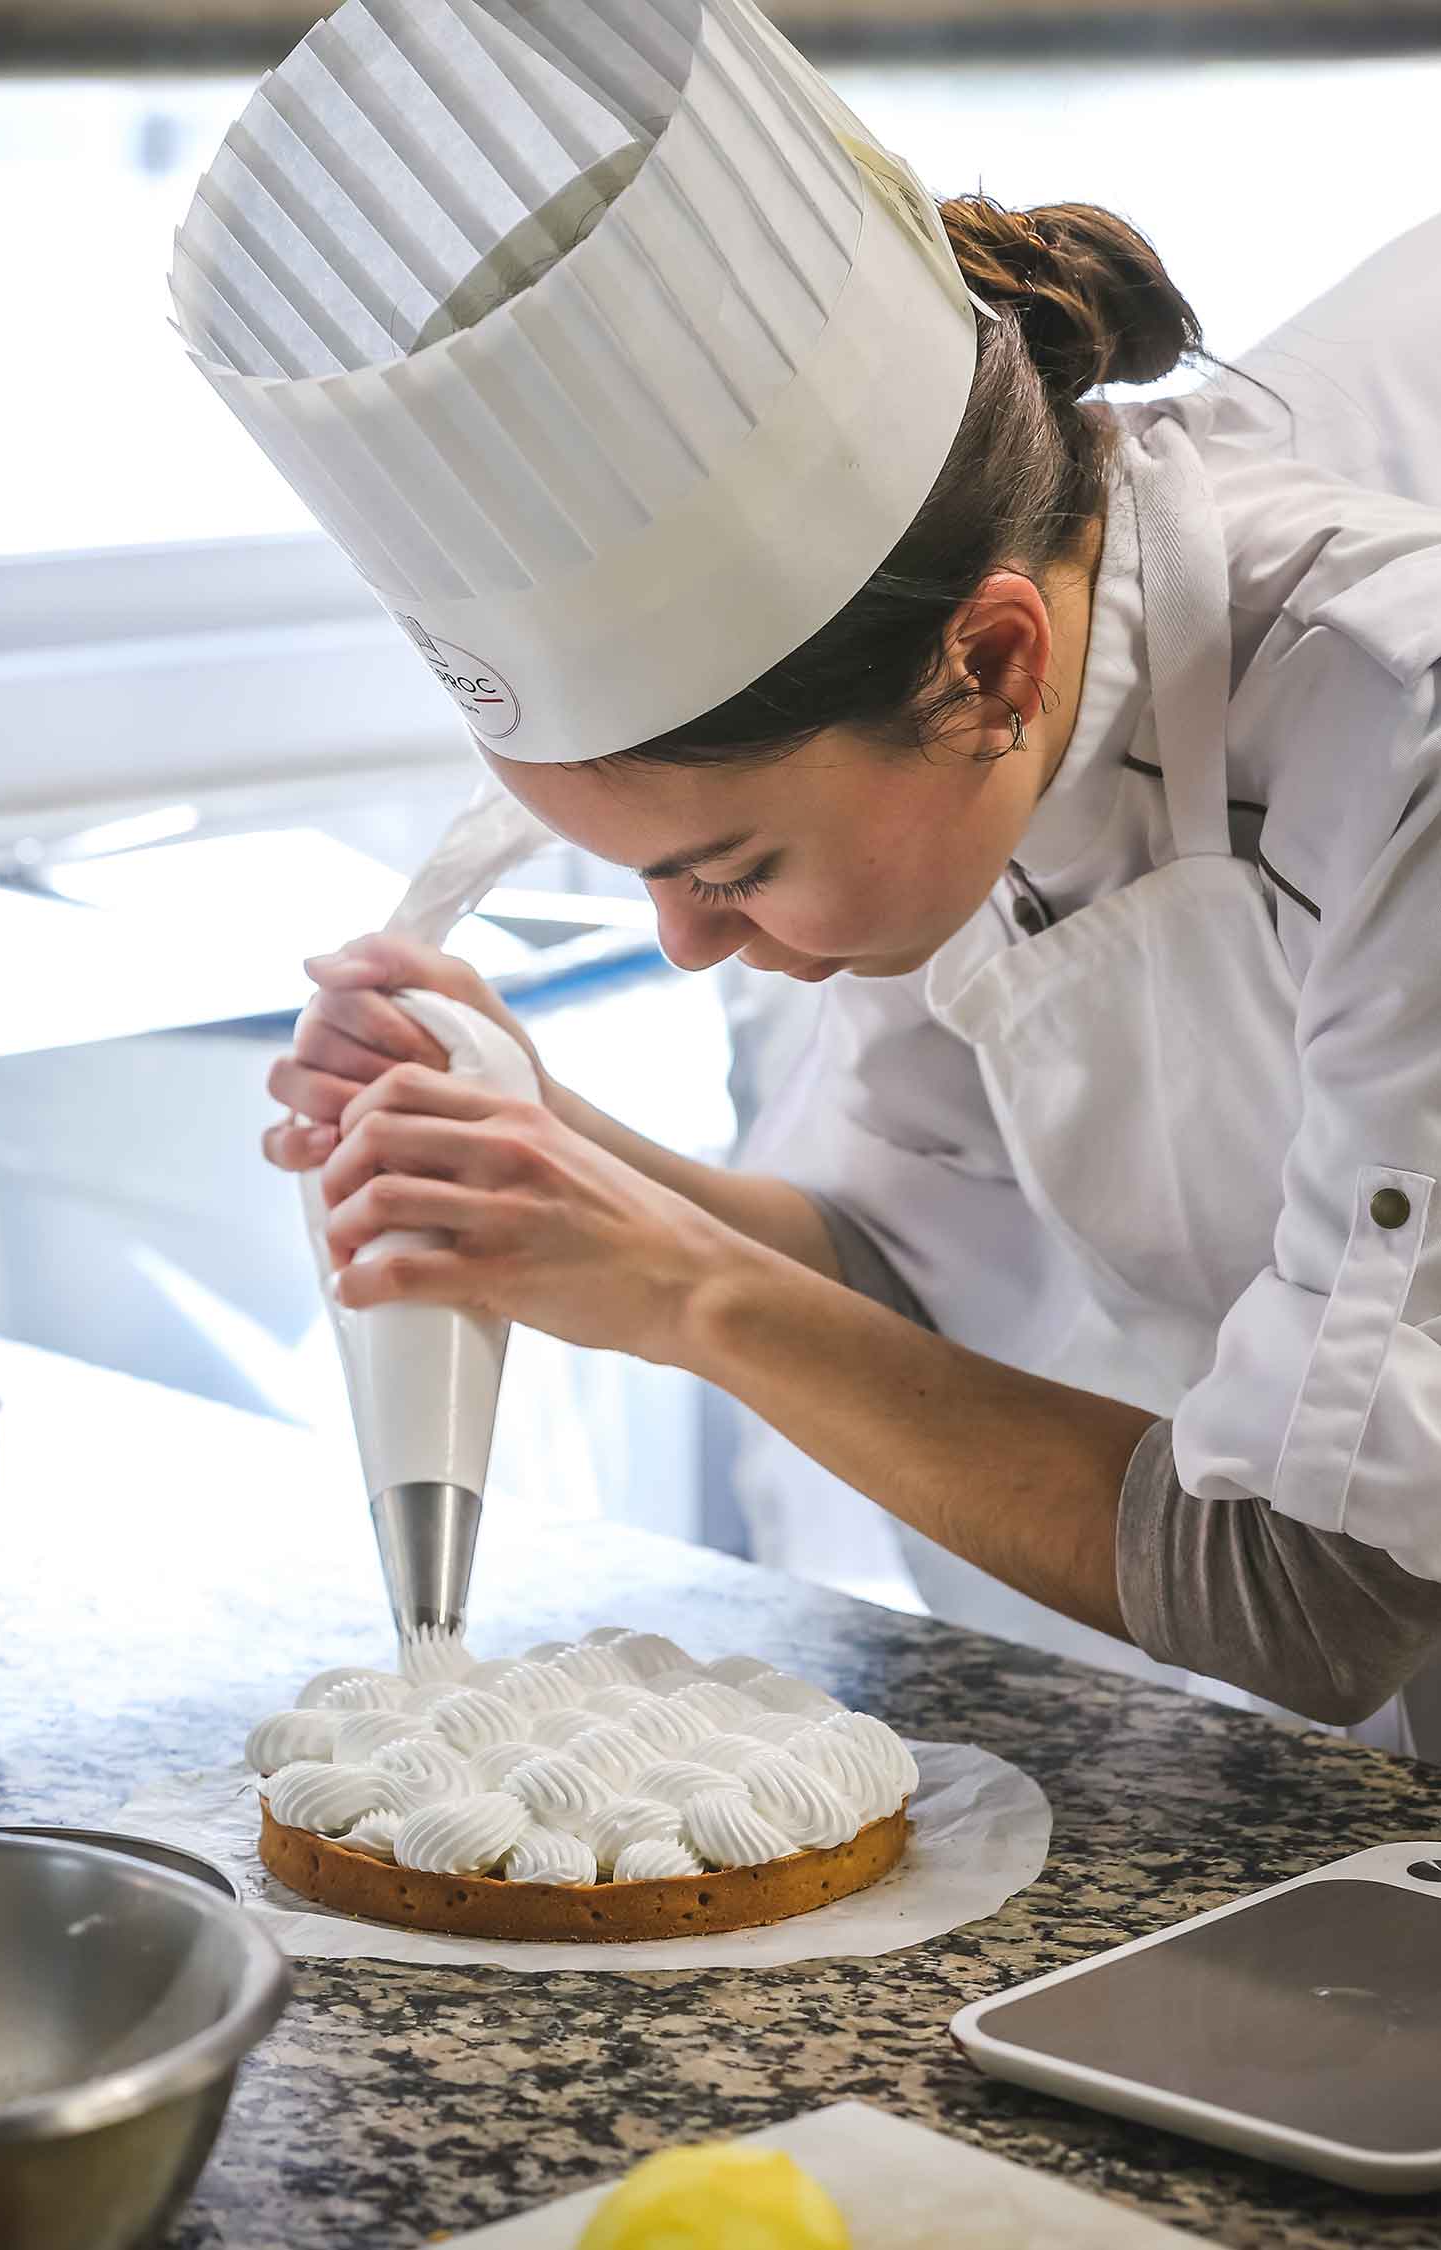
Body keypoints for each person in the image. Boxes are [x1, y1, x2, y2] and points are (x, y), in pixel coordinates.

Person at [174, 0, 1441, 1755]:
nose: (687, 948)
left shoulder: (1401, 744)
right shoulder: (983, 717)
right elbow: (892, 1266)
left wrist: (678, 1290)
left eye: (731, 868)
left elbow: (1312, 1593)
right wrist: (540, 1134)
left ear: (992, 670)